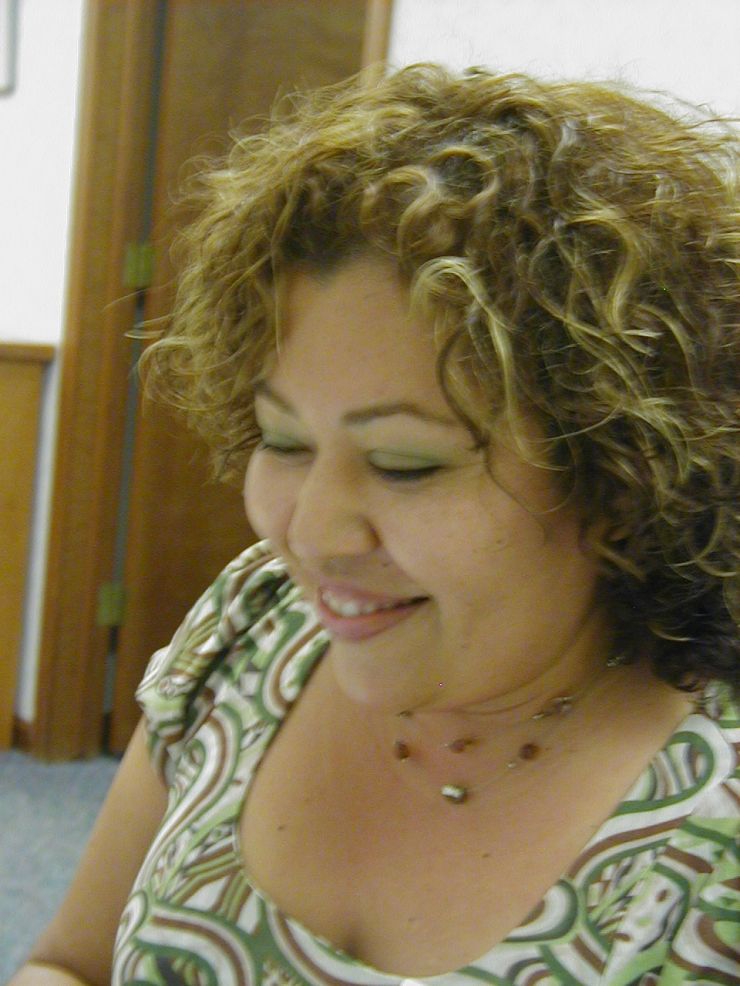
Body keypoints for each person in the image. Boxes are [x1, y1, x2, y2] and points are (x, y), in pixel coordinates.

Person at [11, 64, 738, 986]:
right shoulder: (255, 622)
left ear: (622, 477)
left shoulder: (711, 848)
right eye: (283, 441)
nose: (312, 537)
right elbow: (72, 965)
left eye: (405, 464)